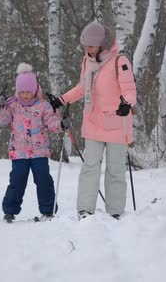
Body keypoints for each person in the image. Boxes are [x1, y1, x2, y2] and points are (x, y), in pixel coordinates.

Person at [49, 22, 137, 220]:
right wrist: (61, 100)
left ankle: (115, 211)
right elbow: (82, 88)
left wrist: (127, 104)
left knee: (115, 169)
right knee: (90, 167)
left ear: (102, 44)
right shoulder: (87, 61)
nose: (87, 49)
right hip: (93, 122)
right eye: (85, 46)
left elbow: (130, 90)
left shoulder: (119, 61)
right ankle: (85, 210)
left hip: (117, 123)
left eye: (90, 46)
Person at [0, 63, 71, 223]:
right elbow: (2, 120)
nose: (25, 95)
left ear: (35, 90)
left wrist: (61, 124)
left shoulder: (43, 106)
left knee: (43, 180)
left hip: (39, 152)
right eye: (22, 92)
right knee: (17, 180)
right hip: (19, 152)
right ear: (18, 91)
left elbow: (51, 122)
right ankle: (9, 211)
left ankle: (48, 211)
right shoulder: (12, 105)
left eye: (28, 91)